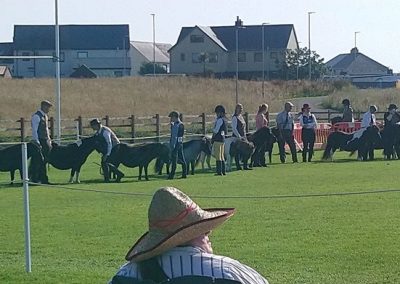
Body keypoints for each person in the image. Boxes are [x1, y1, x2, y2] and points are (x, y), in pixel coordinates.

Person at [109, 187, 269, 284]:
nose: (209, 233)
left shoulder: (125, 275)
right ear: (196, 233)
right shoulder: (230, 272)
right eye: (205, 230)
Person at [90, 118, 124, 182]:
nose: (92, 128)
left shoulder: (105, 131)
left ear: (96, 125)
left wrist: (107, 154)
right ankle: (108, 178)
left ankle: (118, 174)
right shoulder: (98, 132)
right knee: (104, 162)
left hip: (115, 147)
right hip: (110, 147)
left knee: (106, 161)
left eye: (92, 126)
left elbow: (109, 143)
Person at [31, 100, 53, 184]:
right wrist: (37, 141)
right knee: (38, 161)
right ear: (43, 106)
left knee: (44, 161)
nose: (48, 109)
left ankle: (43, 178)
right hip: (39, 140)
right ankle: (36, 178)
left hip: (45, 140)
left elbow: (46, 129)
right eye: (47, 107)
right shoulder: (36, 116)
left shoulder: (45, 116)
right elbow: (34, 130)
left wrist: (49, 139)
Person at [168, 111, 187, 180]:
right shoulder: (181, 124)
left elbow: (174, 137)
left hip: (176, 144)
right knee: (182, 158)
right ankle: (184, 173)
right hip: (180, 143)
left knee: (174, 159)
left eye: (172, 117)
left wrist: (172, 146)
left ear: (174, 117)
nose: (171, 119)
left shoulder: (176, 125)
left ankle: (171, 175)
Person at [212, 105, 227, 175]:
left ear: (220, 113)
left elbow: (216, 130)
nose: (216, 114)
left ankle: (219, 172)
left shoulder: (219, 120)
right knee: (222, 156)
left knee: (218, 156)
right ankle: (223, 171)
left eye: (217, 113)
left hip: (217, 139)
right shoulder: (224, 120)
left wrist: (213, 136)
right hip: (222, 139)